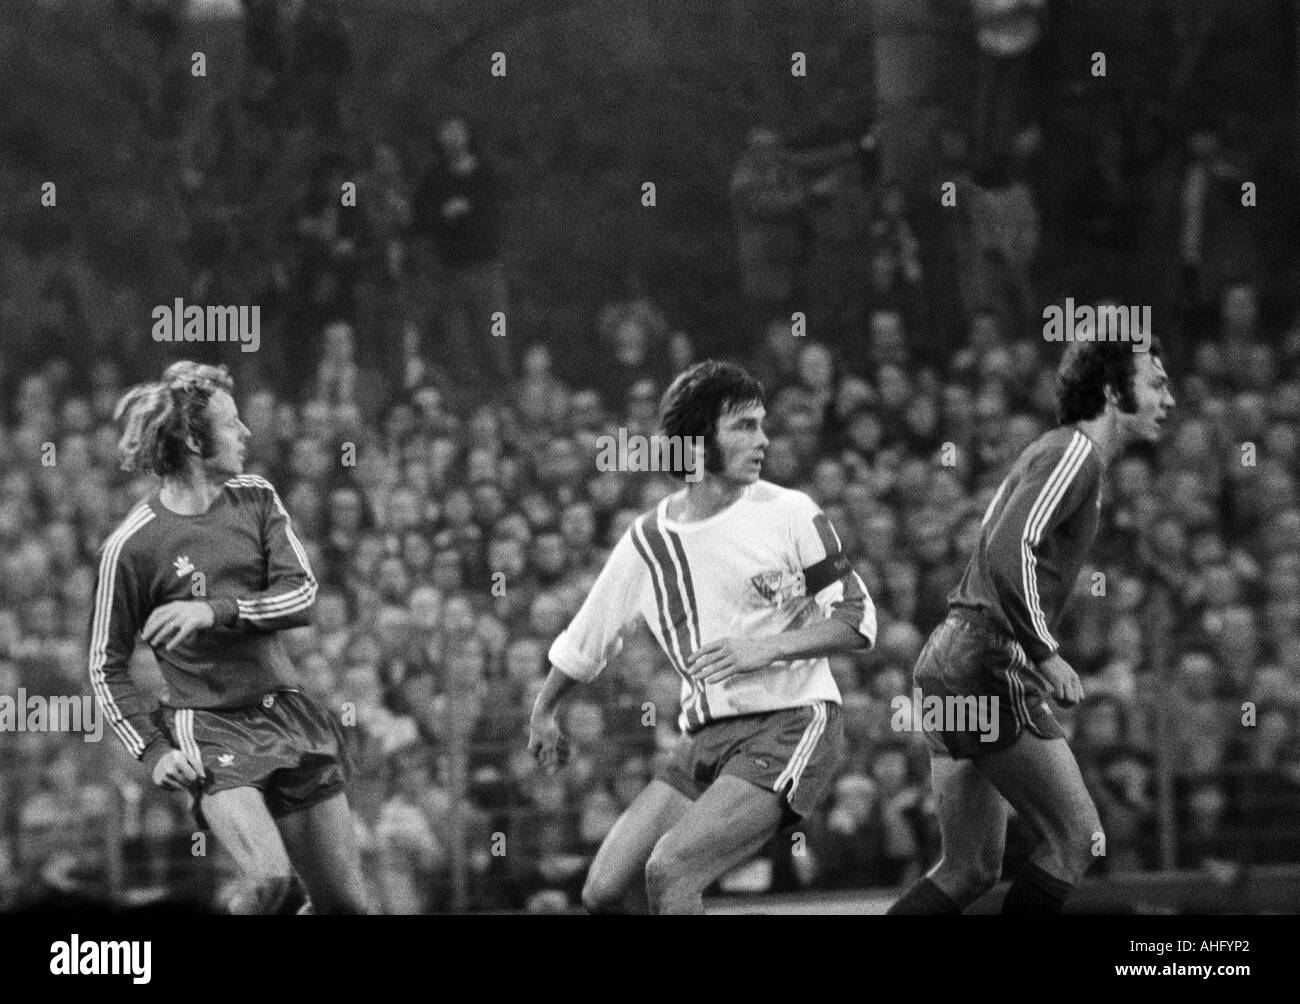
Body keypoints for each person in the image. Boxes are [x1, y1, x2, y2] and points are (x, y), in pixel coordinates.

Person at [528, 360, 877, 914]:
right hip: (706, 741)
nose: (762, 440)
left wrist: (765, 647)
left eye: (761, 424)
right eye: (744, 426)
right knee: (601, 891)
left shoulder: (791, 512)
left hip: (793, 720)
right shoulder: (648, 540)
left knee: (670, 869)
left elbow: (859, 621)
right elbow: (586, 638)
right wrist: (545, 711)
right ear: (695, 442)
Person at [887, 339, 1175, 915]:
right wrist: (1045, 652)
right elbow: (1008, 546)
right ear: (1115, 393)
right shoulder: (1075, 453)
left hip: (949, 662)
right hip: (986, 661)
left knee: (968, 870)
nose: (1169, 398)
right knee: (1078, 838)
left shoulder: (1062, 453)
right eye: (1156, 384)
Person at [89, 361, 367, 914]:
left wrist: (213, 612)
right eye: (232, 423)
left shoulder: (256, 498)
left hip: (289, 715)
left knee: (347, 909)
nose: (246, 433)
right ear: (195, 439)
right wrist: (154, 750)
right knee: (270, 884)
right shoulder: (132, 546)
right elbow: (105, 664)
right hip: (211, 729)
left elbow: (302, 596)